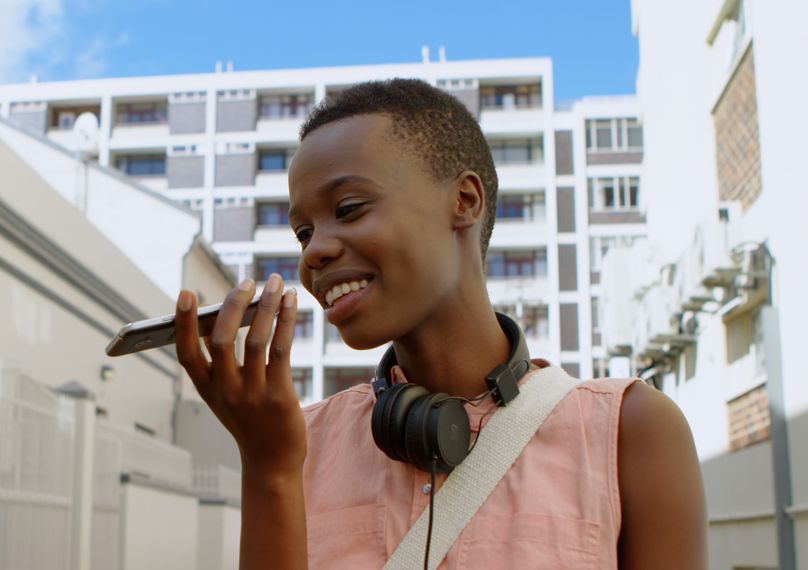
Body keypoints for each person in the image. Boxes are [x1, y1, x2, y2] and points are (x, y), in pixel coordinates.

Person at [174, 79, 706, 569]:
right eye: (303, 232)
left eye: (351, 207)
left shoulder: (629, 431)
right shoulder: (294, 444)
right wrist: (270, 471)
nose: (315, 251)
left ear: (464, 200)